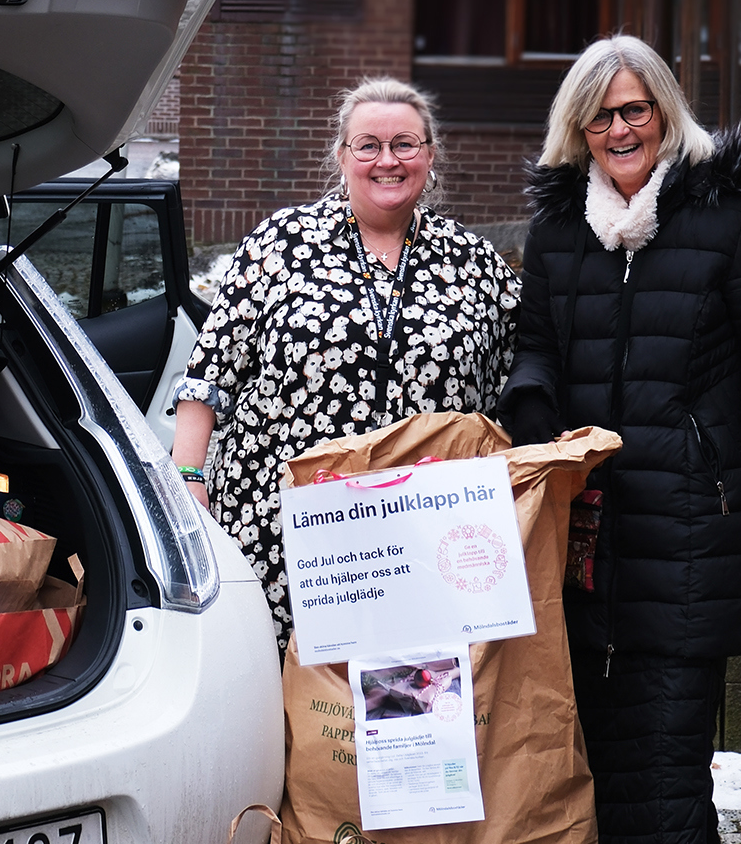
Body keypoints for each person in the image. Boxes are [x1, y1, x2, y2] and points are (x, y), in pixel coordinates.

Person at [499, 35, 741, 844]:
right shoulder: (559, 230)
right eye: (603, 115)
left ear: (665, 112)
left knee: (670, 746)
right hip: (587, 531)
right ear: (578, 127)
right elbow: (536, 339)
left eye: (637, 109)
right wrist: (535, 401)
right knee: (599, 745)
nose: (622, 128)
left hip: (693, 520)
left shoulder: (729, 218)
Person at [171, 76, 521, 647]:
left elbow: (519, 384)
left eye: (405, 144)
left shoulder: (475, 262)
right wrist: (189, 479)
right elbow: (208, 371)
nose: (388, 160)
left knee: (414, 703)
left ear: (430, 156)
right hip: (285, 527)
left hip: (423, 536)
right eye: (369, 146)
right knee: (297, 709)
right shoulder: (281, 243)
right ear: (342, 156)